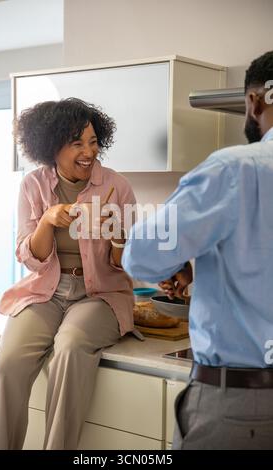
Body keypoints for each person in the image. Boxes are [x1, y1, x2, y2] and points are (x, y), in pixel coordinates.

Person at [122, 50, 273, 450]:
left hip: (245, 406)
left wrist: (177, 259)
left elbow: (142, 253)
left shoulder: (235, 169)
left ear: (255, 101)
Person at [0, 98, 136, 450]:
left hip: (99, 295)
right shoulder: (33, 186)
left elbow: (127, 266)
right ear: (52, 147)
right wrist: (48, 220)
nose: (89, 152)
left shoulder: (117, 187)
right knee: (6, 365)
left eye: (93, 142)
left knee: (70, 345)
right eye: (77, 143)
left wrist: (118, 238)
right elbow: (30, 258)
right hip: (45, 291)